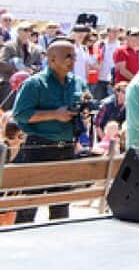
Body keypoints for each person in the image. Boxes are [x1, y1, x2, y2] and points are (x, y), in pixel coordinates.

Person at [9, 38, 86, 223]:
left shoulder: (77, 82)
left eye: (74, 56)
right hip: (39, 147)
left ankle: (58, 245)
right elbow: (20, 115)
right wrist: (54, 114)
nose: (73, 60)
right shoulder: (34, 84)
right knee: (29, 203)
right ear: (52, 59)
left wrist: (85, 114)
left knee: (61, 204)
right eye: (68, 56)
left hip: (66, 147)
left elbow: (82, 106)